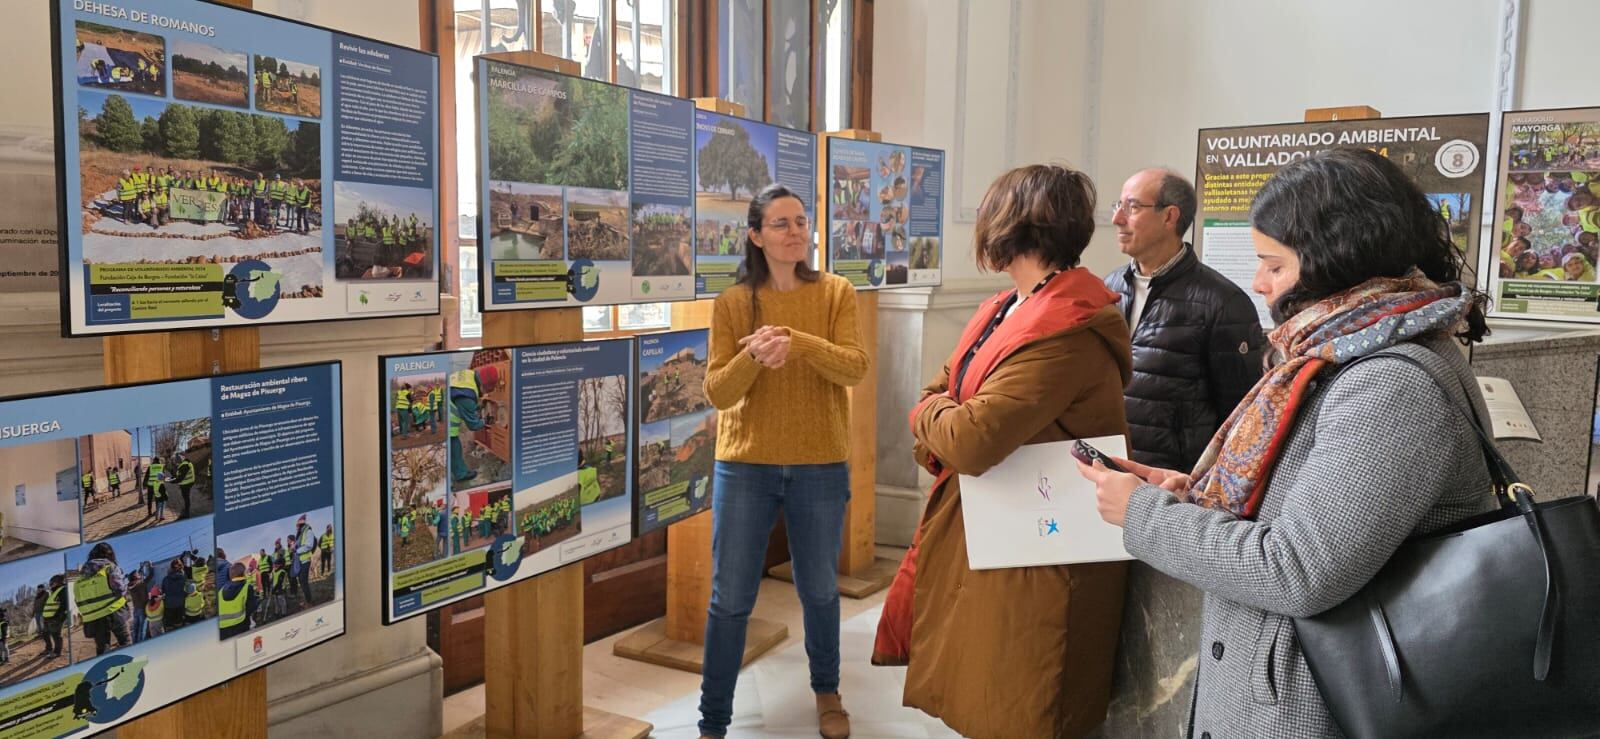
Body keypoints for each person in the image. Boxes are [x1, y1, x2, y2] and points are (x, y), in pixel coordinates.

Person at [1077, 148, 1498, 738]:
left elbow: (1297, 569)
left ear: (1335, 262)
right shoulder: (1346, 351)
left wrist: (1143, 515)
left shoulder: (1389, 381)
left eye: (1273, 265)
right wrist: (1185, 496)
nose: (1257, 283)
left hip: (1328, 701)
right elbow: (1311, 505)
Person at [867, 164, 1131, 737]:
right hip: (998, 525)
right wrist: (938, 410)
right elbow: (946, 392)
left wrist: (925, 413)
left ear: (1012, 226)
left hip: (1038, 546)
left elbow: (971, 438)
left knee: (1021, 698)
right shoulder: (1006, 306)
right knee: (983, 681)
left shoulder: (1068, 326)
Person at [696, 183, 868, 739]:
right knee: (730, 599)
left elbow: (855, 368)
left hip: (820, 464)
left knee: (818, 588)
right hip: (745, 465)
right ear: (755, 236)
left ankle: (828, 693)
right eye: (781, 224)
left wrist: (798, 343)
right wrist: (753, 354)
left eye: (801, 222)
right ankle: (713, 719)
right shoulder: (731, 302)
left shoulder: (837, 292)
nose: (796, 232)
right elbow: (719, 393)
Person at [1103, 169, 1265, 471]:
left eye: (1133, 207)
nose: (1117, 219)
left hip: (1175, 484)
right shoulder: (1108, 288)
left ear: (1169, 217)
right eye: (1118, 206)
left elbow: (1240, 415)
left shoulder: (1223, 303)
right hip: (1110, 468)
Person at [75, 542, 131, 655]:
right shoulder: (110, 567)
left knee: (102, 649)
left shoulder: (80, 578)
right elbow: (120, 589)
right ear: (109, 554)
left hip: (93, 618)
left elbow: (78, 600)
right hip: (114, 612)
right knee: (125, 643)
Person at [449, 365, 502, 484]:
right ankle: (459, 476)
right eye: (486, 391)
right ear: (483, 386)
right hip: (446, 427)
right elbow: (473, 425)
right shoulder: (466, 395)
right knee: (453, 448)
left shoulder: (468, 374)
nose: (484, 395)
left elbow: (466, 405)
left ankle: (458, 472)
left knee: (455, 448)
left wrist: (476, 406)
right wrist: (485, 421)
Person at [218, 562, 260, 638]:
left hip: (222, 630)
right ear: (244, 573)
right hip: (241, 626)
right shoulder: (247, 587)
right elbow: (251, 608)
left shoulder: (221, 590)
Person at [40, 576, 66, 658]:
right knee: (45, 634)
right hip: (48, 618)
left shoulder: (62, 590)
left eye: (52, 582)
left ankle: (57, 652)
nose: (50, 584)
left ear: (57, 582)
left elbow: (64, 605)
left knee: (56, 635)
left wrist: (58, 616)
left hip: (55, 618)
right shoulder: (53, 592)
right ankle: (48, 649)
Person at [161, 558, 189, 630]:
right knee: (179, 626)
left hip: (168, 606)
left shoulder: (165, 579)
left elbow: (163, 592)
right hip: (180, 605)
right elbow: (187, 591)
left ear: (171, 567)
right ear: (181, 566)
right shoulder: (184, 577)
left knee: (169, 628)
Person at [127, 571, 148, 644]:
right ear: (135, 576)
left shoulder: (130, 585)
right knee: (142, 629)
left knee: (135, 629)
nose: (139, 574)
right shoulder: (140, 583)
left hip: (136, 609)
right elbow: (150, 576)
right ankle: (141, 644)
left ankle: (134, 643)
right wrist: (150, 567)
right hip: (142, 608)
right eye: (137, 574)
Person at [173, 454, 197, 518]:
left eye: (177, 462)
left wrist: (171, 481)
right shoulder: (185, 463)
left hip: (186, 483)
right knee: (186, 497)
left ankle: (187, 512)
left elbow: (180, 478)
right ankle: (186, 509)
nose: (176, 464)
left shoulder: (184, 465)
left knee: (186, 497)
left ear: (179, 461)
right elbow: (179, 475)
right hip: (188, 482)